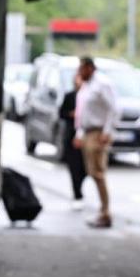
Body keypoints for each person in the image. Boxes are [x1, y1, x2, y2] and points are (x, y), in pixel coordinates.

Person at [73, 56, 118, 229]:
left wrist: (107, 132)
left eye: (81, 69)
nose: (79, 73)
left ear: (90, 68)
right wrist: (79, 132)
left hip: (98, 133)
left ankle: (105, 213)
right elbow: (83, 111)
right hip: (88, 132)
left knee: (98, 174)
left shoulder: (102, 84)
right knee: (93, 173)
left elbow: (114, 108)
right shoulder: (87, 85)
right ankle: (103, 211)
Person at [59, 70, 86, 210]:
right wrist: (72, 114)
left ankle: (79, 188)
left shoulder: (88, 96)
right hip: (71, 136)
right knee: (74, 167)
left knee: (85, 168)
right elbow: (61, 113)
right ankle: (77, 194)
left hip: (84, 136)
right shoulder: (70, 96)